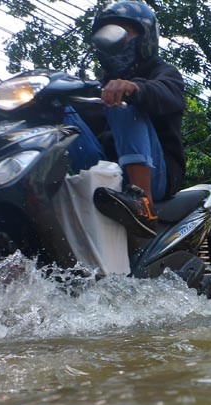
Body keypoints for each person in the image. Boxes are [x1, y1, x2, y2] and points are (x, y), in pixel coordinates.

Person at [68, 1, 186, 237]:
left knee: (123, 101)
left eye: (123, 31)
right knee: (62, 114)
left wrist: (134, 89)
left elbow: (169, 94)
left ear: (145, 37)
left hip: (157, 176)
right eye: (107, 33)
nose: (112, 39)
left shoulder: (163, 72)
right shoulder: (99, 88)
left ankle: (143, 202)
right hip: (107, 173)